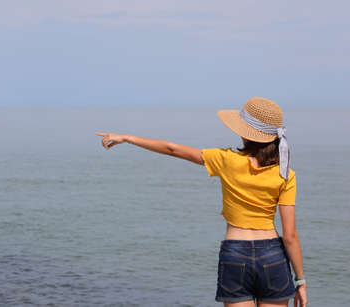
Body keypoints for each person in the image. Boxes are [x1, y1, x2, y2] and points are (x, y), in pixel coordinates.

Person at [95, 97, 307, 307]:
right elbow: (290, 236)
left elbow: (172, 148)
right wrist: (300, 281)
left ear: (245, 132)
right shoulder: (286, 175)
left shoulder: (225, 160)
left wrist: (127, 137)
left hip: (235, 252)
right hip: (272, 256)